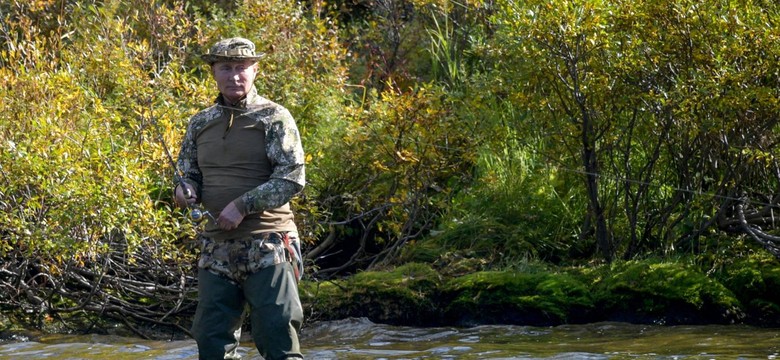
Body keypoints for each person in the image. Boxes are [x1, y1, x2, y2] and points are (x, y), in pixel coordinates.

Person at [173, 37, 306, 360]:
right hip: (216, 248)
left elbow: (291, 178)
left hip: (269, 244)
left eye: (242, 68)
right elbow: (187, 174)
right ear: (214, 73)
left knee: (278, 336)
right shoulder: (200, 122)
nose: (234, 75)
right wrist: (183, 190)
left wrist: (242, 206)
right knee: (211, 341)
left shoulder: (274, 117)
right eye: (226, 68)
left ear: (255, 71)